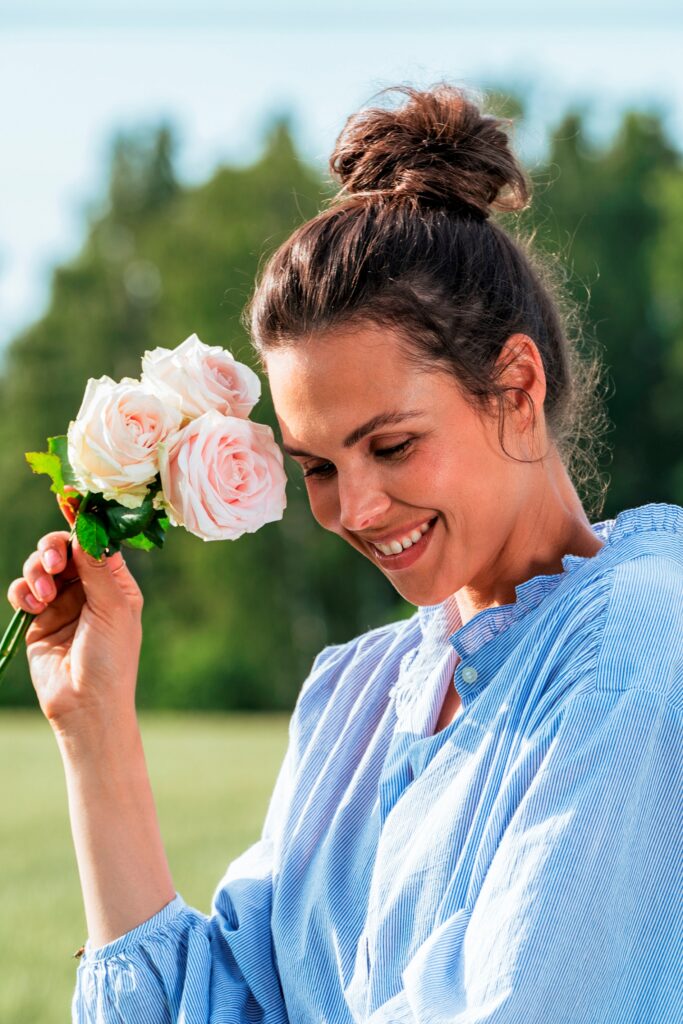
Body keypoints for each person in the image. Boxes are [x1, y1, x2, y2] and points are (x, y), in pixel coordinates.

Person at [7, 85, 682, 1024]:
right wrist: (95, 726)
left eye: (393, 445)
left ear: (515, 387)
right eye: (317, 466)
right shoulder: (357, 700)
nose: (354, 508)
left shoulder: (632, 659)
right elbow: (213, 1009)